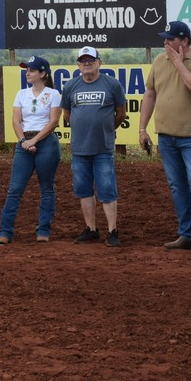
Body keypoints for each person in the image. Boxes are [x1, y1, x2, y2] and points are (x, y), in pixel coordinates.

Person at [139, 21, 191, 253]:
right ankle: (187, 233)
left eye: (170, 38)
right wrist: (142, 128)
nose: (165, 42)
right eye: (165, 38)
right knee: (177, 186)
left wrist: (178, 63)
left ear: (184, 41)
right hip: (166, 135)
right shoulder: (159, 61)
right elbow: (150, 94)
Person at [60, 45, 127, 247]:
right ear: (78, 65)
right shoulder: (71, 86)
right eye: (83, 61)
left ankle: (112, 231)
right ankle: (91, 229)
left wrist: (106, 129)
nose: (87, 64)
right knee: (83, 190)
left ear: (99, 63)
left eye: (91, 60)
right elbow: (66, 114)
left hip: (103, 148)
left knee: (107, 189)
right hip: (79, 149)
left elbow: (121, 113)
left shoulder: (112, 85)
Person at [0, 56, 62, 245]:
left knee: (46, 188)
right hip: (25, 142)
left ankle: (43, 230)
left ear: (43, 74)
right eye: (27, 70)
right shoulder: (21, 94)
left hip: (45, 143)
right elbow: (16, 120)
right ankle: (5, 231)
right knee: (15, 189)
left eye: (32, 70)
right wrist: (23, 140)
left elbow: (54, 122)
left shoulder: (53, 94)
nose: (28, 73)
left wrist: (32, 140)